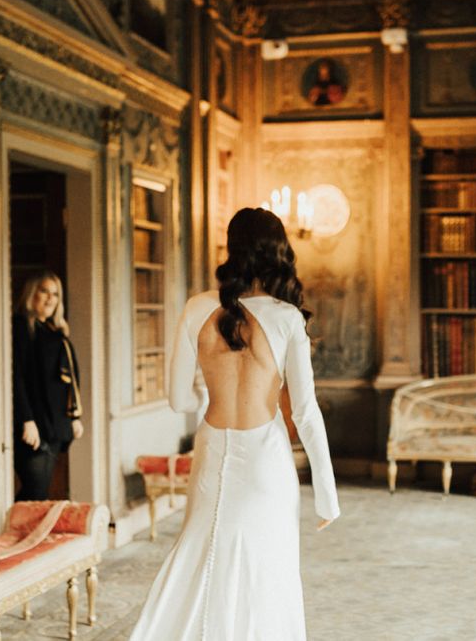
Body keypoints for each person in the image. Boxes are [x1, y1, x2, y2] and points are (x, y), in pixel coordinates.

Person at [130, 208, 340, 641]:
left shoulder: (197, 308)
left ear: (233, 248)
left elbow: (176, 401)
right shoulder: (287, 317)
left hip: (212, 451)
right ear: (278, 251)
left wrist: (211, 394)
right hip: (267, 460)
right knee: (267, 568)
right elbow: (304, 412)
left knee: (201, 558)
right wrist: (327, 495)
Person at [12, 271, 83, 501]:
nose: (50, 298)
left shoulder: (53, 330)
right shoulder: (21, 326)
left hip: (54, 425)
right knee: (35, 490)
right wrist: (27, 420)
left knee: (40, 490)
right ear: (32, 293)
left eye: (55, 294)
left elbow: (68, 379)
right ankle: (20, 536)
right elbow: (16, 377)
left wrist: (73, 417)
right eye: (44, 291)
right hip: (34, 425)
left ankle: (33, 536)